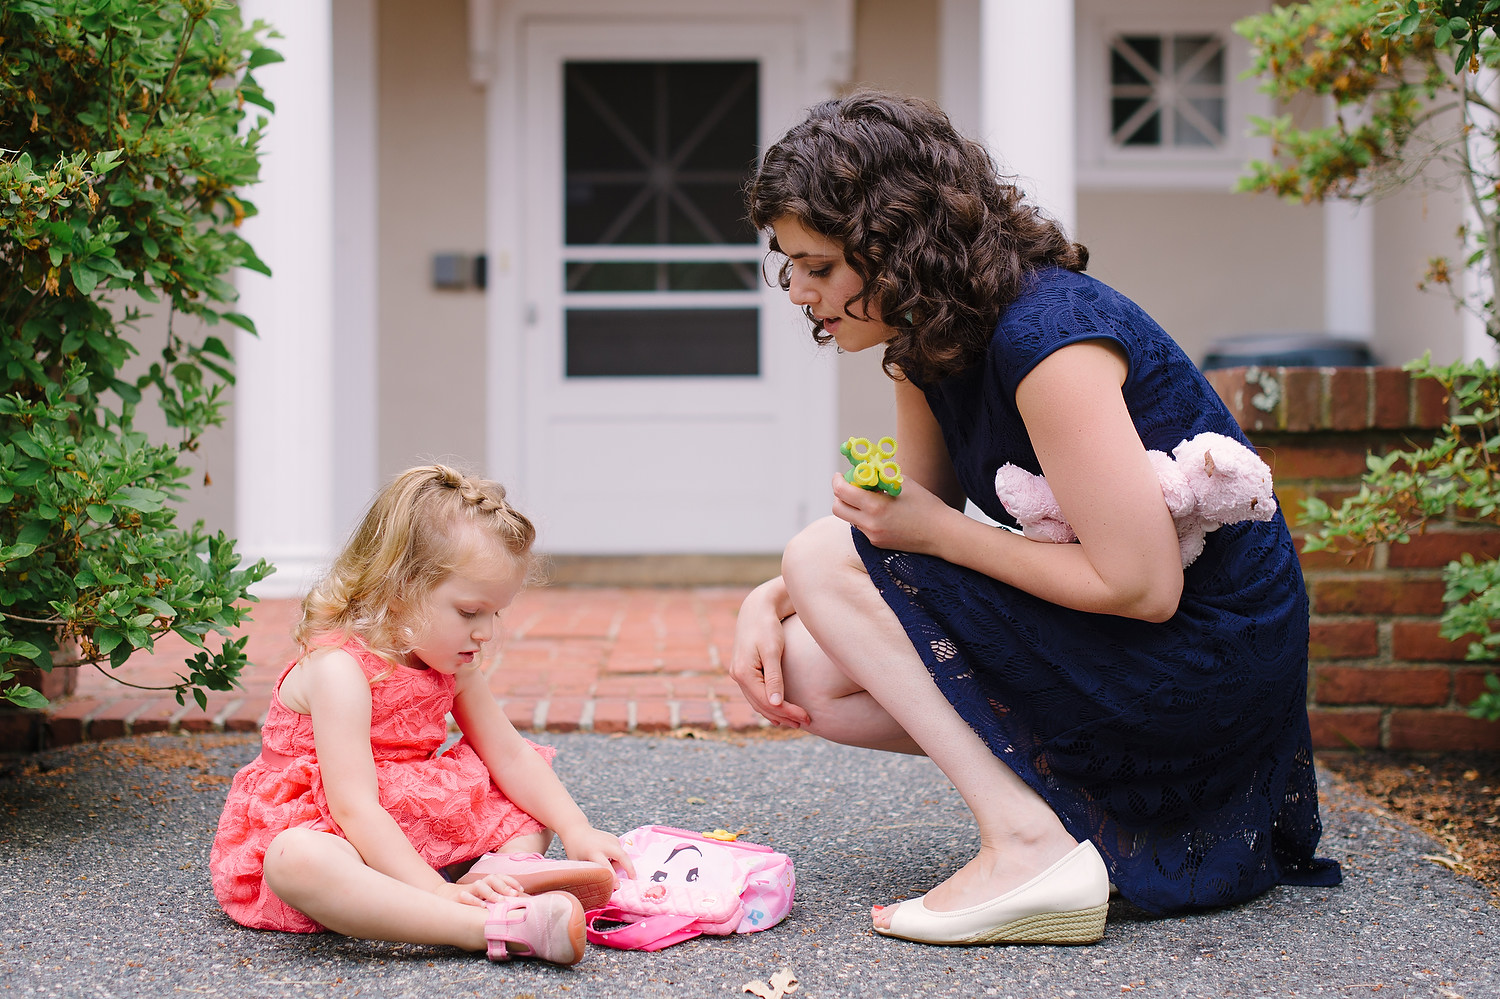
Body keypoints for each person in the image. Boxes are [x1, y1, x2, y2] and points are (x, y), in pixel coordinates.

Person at [729, 92, 1342, 946]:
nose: (797, 290)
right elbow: (904, 531)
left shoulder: (1049, 338)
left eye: (819, 265)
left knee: (819, 554)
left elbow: (1142, 585)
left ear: (896, 245)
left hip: (1207, 660)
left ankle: (1027, 845)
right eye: (786, 262)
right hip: (1131, 642)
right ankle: (1077, 818)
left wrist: (890, 546)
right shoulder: (927, 337)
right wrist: (775, 595)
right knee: (804, 668)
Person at [210, 465, 635, 966]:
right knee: (296, 860)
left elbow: (512, 755)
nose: (485, 634)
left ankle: (497, 875)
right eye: (470, 612)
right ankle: (480, 923)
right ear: (399, 588)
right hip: (332, 823)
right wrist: (436, 890)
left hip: (398, 817)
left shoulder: (450, 665)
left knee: (520, 793)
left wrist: (576, 828)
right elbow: (354, 809)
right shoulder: (340, 670)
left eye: (495, 614)